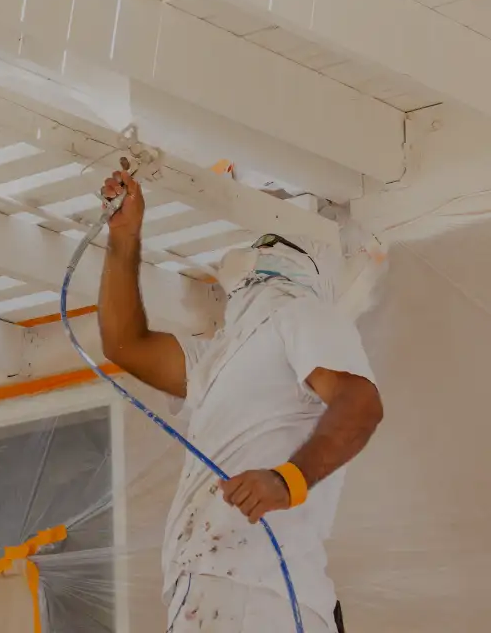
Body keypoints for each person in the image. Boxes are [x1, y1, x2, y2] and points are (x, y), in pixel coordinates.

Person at [98, 167, 383, 633]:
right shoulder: (220, 354)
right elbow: (124, 344)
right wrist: (125, 235)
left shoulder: (302, 313)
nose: (259, 252)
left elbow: (360, 404)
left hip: (261, 592)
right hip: (210, 590)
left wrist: (288, 479)